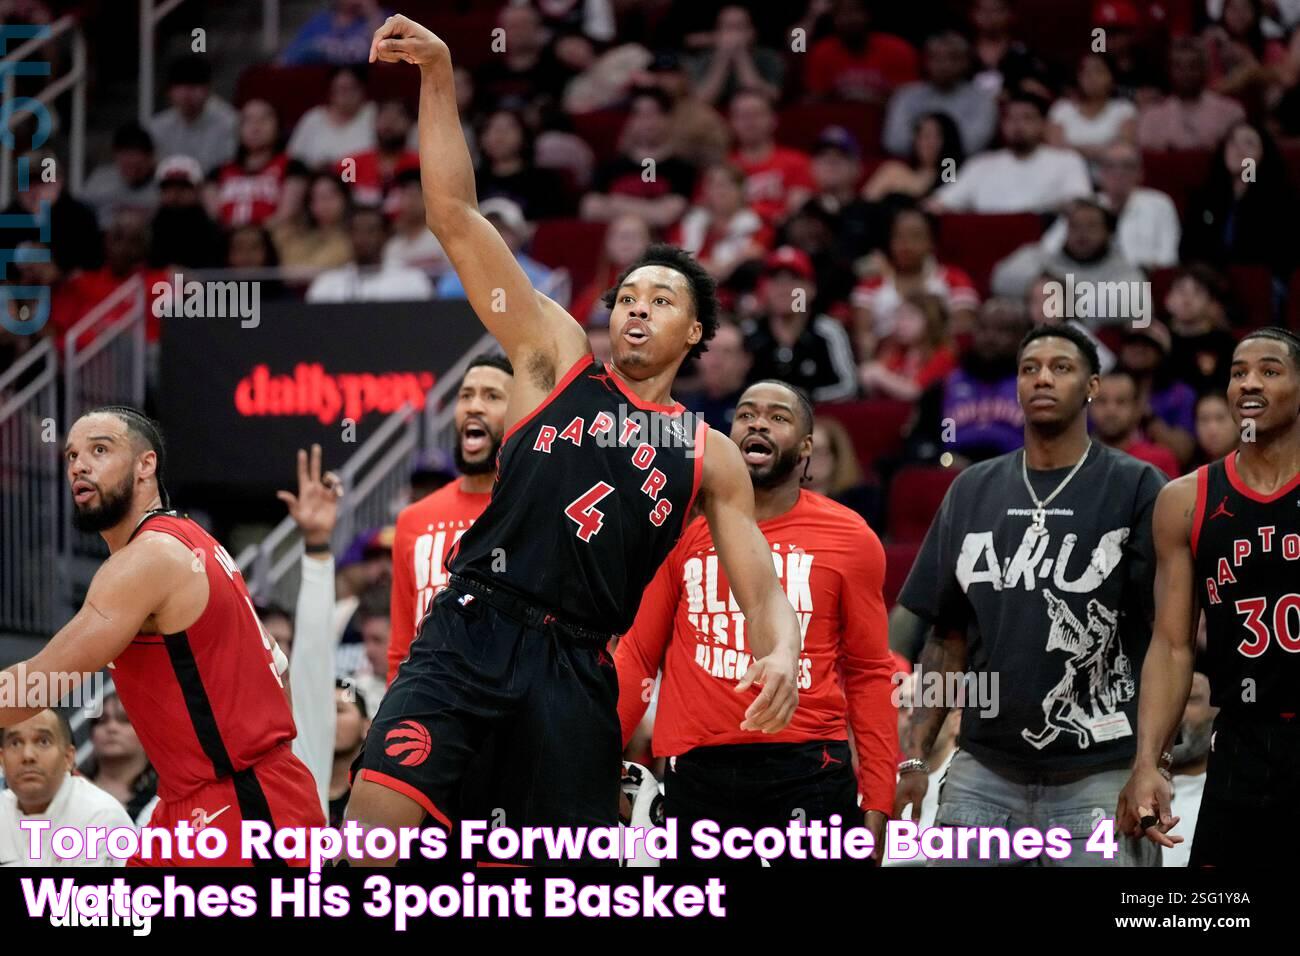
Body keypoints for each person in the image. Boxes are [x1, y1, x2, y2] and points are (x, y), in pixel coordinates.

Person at [346, 14, 802, 864]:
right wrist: (440, 75)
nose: (636, 305)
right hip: (474, 623)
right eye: (629, 293)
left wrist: (781, 649)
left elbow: (761, 588)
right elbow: (453, 214)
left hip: (578, 662)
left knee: (562, 881)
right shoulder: (554, 357)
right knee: (370, 835)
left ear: (697, 334)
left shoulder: (709, 452)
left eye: (661, 300)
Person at [0, 407, 325, 865]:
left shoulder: (148, 557)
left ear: (146, 465)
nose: (79, 465)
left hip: (243, 805)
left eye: (100, 449)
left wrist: (250, 765)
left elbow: (41, 683)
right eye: (71, 455)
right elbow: (279, 666)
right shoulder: (192, 539)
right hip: (197, 800)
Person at [896, 323, 1166, 867]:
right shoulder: (972, 489)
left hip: (1101, 773)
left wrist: (1149, 764)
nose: (1043, 378)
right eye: (1029, 369)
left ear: (1092, 385)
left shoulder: (1137, 486)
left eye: (1061, 368)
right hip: (983, 772)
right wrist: (915, 762)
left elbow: (1170, 639)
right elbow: (944, 638)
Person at [617, 380, 894, 865]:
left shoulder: (851, 538)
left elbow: (871, 672)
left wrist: (877, 802)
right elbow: (639, 654)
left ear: (807, 447)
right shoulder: (680, 530)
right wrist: (598, 761)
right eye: (746, 415)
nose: (758, 423)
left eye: (778, 417)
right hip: (699, 769)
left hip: (810, 766)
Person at [1118, 328, 1300, 866]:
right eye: (1238, 372)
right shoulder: (1185, 500)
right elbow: (1173, 645)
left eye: (1270, 371)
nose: (1249, 382)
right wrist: (1149, 759)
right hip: (1242, 739)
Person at [388, 354, 514, 684]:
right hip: (424, 713)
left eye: (492, 396)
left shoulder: (531, 512)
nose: (474, 406)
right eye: (466, 395)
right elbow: (401, 649)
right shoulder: (412, 521)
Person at [1, 710, 134, 867]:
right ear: (2, 759)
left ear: (68, 758)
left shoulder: (101, 816)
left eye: (43, 741)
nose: (28, 755)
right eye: (15, 743)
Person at [907, 297, 1028, 465]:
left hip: (1016, 475)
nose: (990, 337)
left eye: (1003, 330)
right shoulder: (943, 387)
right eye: (983, 328)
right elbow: (921, 443)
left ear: (1022, 338)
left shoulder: (1034, 388)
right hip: (953, 475)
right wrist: (943, 459)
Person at [928, 90, 1091, 215]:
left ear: (1043, 124)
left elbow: (1079, 204)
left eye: (1027, 118)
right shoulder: (980, 164)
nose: (1018, 126)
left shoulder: (1067, 161)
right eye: (1011, 118)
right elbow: (942, 202)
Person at [1036, 141, 1181, 271]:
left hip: (1142, 283)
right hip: (1087, 279)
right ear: (1100, 173)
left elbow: (1168, 259)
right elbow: (1048, 248)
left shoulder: (1160, 204)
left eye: (1127, 166)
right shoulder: (1084, 205)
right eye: (1110, 166)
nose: (1118, 173)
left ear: (1140, 173)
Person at [852, 206, 978, 355]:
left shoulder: (955, 279)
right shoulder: (870, 285)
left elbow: (963, 331)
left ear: (932, 242)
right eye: (898, 236)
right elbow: (864, 339)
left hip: (940, 362)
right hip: (888, 362)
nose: (905, 244)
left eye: (915, 236)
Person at [1180, 121, 1298, 278]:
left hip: (1260, 282)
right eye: (1232, 142)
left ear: (1264, 154)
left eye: (1248, 143)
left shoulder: (1281, 200)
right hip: (1210, 283)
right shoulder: (1204, 198)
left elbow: (1280, 256)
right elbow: (1189, 250)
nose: (1238, 149)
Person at [742, 246, 858, 403]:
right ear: (765, 288)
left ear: (810, 289)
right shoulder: (749, 332)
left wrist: (804, 398)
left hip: (816, 419)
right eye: (776, 281)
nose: (783, 289)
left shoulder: (827, 331)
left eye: (793, 281)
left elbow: (848, 386)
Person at [990, 198, 1147, 313]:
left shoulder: (1121, 268)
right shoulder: (1040, 256)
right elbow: (999, 280)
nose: (1082, 233)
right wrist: (1042, 282)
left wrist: (1065, 294)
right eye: (1075, 226)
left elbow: (1138, 301)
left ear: (1108, 233)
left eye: (1091, 226)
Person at [579, 88, 695, 230]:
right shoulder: (609, 166)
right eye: (639, 114)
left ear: (667, 118)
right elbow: (590, 209)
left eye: (653, 113)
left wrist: (614, 203)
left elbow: (665, 215)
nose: (646, 122)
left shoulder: (683, 169)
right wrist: (650, 210)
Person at [882, 30, 997, 158]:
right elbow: (894, 141)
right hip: (915, 165)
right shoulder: (906, 96)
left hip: (960, 167)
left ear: (966, 62)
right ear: (926, 62)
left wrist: (927, 145)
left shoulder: (981, 99)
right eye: (936, 58)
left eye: (952, 58)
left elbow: (973, 144)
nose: (943, 65)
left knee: (949, 174)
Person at [434, 198, 564, 304]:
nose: (495, 235)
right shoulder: (457, 278)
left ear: (518, 235)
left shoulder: (543, 278)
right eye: (489, 229)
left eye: (502, 229)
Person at [669, 162, 772, 284]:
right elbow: (675, 260)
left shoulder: (756, 225)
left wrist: (697, 267)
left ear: (741, 190)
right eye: (714, 185)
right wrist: (727, 267)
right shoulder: (690, 222)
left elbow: (753, 260)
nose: (720, 191)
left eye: (727, 185)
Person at [306, 205, 434, 302]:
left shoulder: (411, 280)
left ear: (385, 236)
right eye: (357, 231)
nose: (363, 238)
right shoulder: (327, 284)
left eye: (371, 231)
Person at [1137, 37, 1246, 151]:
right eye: (1178, 67)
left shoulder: (1231, 112)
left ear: (1205, 70)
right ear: (1169, 71)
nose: (1186, 73)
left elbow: (1244, 161)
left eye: (1193, 66)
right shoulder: (1151, 117)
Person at [727, 90, 816, 226]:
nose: (750, 122)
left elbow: (798, 215)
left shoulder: (798, 162)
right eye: (742, 116)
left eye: (757, 114)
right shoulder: (723, 166)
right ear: (732, 122)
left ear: (774, 119)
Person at [803, 0, 919, 104]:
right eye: (841, 14)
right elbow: (795, 48)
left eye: (855, 12)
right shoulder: (821, 51)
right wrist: (811, 18)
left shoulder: (897, 50)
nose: (849, 19)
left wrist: (872, 99)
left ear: (867, 15)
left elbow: (910, 102)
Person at [215, 99, 304, 229]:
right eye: (248, 120)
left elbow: (286, 215)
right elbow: (215, 218)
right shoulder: (218, 172)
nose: (256, 126)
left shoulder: (294, 168)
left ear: (278, 126)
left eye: (264, 119)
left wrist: (250, 238)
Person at [147, 55, 239, 175]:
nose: (187, 94)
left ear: (209, 89)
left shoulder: (229, 122)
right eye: (180, 87)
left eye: (194, 86)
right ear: (169, 92)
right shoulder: (157, 127)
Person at [861, 292, 957, 402]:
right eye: (899, 316)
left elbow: (916, 391)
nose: (900, 324)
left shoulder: (943, 355)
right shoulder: (897, 351)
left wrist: (879, 376)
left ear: (931, 322)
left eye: (909, 318)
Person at [1046, 53, 1138, 166]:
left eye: (1098, 71)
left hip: (1110, 176)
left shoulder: (1124, 109)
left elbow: (1124, 150)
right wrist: (1101, 150)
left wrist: (1074, 149)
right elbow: (1054, 150)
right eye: (1086, 72)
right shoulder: (1062, 108)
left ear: (1111, 77)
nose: (1091, 77)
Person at [1163, 672, 1216, 867]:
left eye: (1190, 700)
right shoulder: (1122, 795)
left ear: (1217, 713)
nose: (1175, 713)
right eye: (1164, 700)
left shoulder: (1234, 800)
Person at [82, 693, 159, 826]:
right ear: (92, 735)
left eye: (125, 720)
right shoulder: (69, 788)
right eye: (102, 721)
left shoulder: (164, 797)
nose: (111, 728)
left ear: (147, 731)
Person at [686, 4, 784, 106]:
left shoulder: (768, 57)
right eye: (727, 27)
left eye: (739, 27)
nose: (733, 34)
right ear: (717, 33)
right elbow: (700, 101)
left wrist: (742, 57)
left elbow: (771, 98)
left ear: (752, 32)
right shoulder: (704, 58)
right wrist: (722, 59)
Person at [1091, 370, 1182, 478]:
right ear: (1090, 406)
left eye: (1121, 401)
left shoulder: (1160, 460)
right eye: (1102, 401)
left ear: (1137, 409)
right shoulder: (1074, 459)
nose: (1111, 410)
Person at [863, 111, 965, 204]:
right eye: (921, 135)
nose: (925, 142)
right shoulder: (894, 171)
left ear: (948, 140)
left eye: (933, 136)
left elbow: (947, 199)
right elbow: (863, 205)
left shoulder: (952, 170)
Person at [287, 65, 377, 170]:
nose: (344, 95)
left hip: (364, 182)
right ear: (330, 90)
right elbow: (292, 161)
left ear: (362, 89)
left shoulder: (373, 114)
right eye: (340, 89)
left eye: (350, 88)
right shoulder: (313, 118)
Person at [1166, 264, 1238, 395]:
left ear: (1211, 302)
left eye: (1197, 292)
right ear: (1168, 299)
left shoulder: (1224, 343)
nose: (1187, 300)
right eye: (1181, 290)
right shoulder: (1157, 337)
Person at [79, 122, 159, 228]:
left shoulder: (163, 186)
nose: (132, 171)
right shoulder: (100, 180)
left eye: (137, 166)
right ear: (115, 155)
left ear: (150, 158)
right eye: (127, 165)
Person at [679, 319, 752, 432]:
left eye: (727, 352)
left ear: (745, 360)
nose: (715, 362)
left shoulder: (756, 411)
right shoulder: (684, 410)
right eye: (709, 350)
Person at [281, 0, 389, 65]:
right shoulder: (319, 22)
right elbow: (286, 60)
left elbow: (386, 63)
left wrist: (371, 13)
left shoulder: (382, 19)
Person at [328, 679, 370, 826]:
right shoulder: (294, 789)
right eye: (319, 712)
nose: (328, 719)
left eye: (338, 710)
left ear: (367, 727)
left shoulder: (375, 795)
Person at [1194, 391, 1238, 464]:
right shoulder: (1193, 473)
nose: (1212, 429)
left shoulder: (1255, 469)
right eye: (1204, 419)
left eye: (1220, 418)